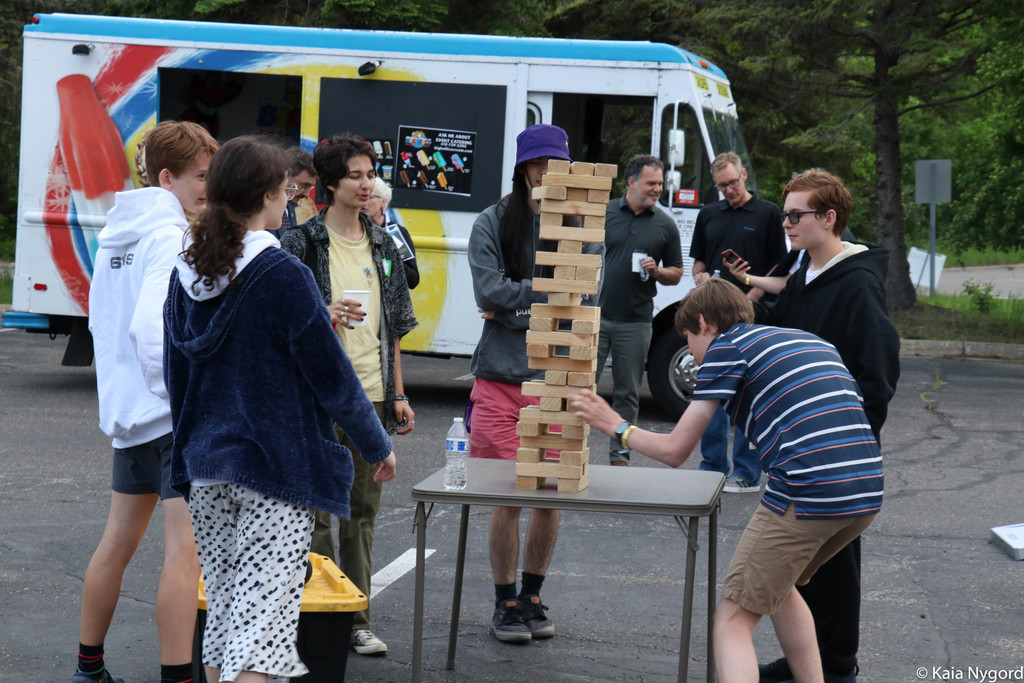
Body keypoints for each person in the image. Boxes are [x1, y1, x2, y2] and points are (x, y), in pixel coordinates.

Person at [570, 278, 884, 683]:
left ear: (702, 323)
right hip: (867, 490)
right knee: (782, 587)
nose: (696, 358)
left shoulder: (725, 347)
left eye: (688, 339)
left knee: (733, 619)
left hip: (806, 494)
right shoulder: (803, 339)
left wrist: (615, 426)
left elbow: (675, 450)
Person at [164, 135, 397, 682]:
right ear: (272, 195)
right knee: (263, 632)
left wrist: (183, 457)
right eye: (290, 190)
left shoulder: (187, 272)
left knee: (223, 617)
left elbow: (178, 378)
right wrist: (375, 442)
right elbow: (331, 375)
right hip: (275, 468)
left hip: (206, 466)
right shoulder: (280, 273)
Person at [74, 120, 218, 683]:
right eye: (201, 175)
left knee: (115, 543)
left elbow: (100, 325)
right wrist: (178, 399)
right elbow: (148, 330)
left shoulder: (116, 236)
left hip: (127, 420)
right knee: (184, 555)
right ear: (167, 176)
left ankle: (89, 669)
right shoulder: (169, 236)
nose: (210, 186)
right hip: (167, 419)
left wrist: (124, 399)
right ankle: (178, 676)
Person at [751, 169, 900, 683]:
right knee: (800, 558)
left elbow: (879, 368)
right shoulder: (802, 271)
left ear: (829, 218)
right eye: (785, 215)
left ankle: (836, 665)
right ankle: (803, 661)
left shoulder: (857, 282)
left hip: (837, 447)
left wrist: (856, 432)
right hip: (798, 445)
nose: (787, 224)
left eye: (796, 215)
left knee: (836, 564)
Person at [280, 133, 417, 656]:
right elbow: (283, 324)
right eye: (356, 175)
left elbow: (396, 328)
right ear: (331, 183)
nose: (367, 184)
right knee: (314, 513)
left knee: (362, 511)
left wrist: (398, 395)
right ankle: (316, 613)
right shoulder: (300, 243)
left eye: (371, 174)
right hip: (315, 397)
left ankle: (356, 616)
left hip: (372, 396)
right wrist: (323, 315)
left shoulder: (384, 243)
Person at [467, 123, 603, 642]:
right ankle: (504, 601)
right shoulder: (493, 221)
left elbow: (587, 298)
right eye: (538, 163)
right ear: (523, 167)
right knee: (508, 494)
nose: (546, 173)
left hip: (560, 378)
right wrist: (547, 298)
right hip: (502, 377)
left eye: (555, 163)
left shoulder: (580, 223)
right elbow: (487, 288)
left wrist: (514, 305)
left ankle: (532, 594)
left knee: (550, 494)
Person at [690, 152, 786, 493]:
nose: (728, 190)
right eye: (721, 186)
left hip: (751, 312)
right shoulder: (709, 213)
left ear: (744, 175)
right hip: (713, 314)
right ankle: (712, 468)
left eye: (733, 183)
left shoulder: (768, 213)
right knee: (713, 388)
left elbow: (780, 266)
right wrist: (699, 275)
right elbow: (698, 259)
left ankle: (747, 473)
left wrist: (752, 297)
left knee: (750, 390)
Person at [595, 154, 683, 466]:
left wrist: (658, 271)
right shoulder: (603, 213)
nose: (658, 188)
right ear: (631, 182)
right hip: (595, 316)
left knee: (627, 394)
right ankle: (567, 450)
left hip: (636, 321)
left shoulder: (665, 225)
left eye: (660, 183)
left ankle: (620, 458)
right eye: (651, 183)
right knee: (580, 387)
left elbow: (677, 272)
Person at [361, 176, 419, 289]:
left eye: (370, 197)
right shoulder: (352, 229)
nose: (364, 202)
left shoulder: (395, 232)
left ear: (383, 202)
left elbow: (413, 280)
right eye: (362, 197)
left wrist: (391, 255)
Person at [272, 145, 318, 237]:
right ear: (286, 175)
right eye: (304, 186)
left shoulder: (290, 208)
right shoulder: (264, 209)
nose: (306, 194)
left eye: (310, 187)